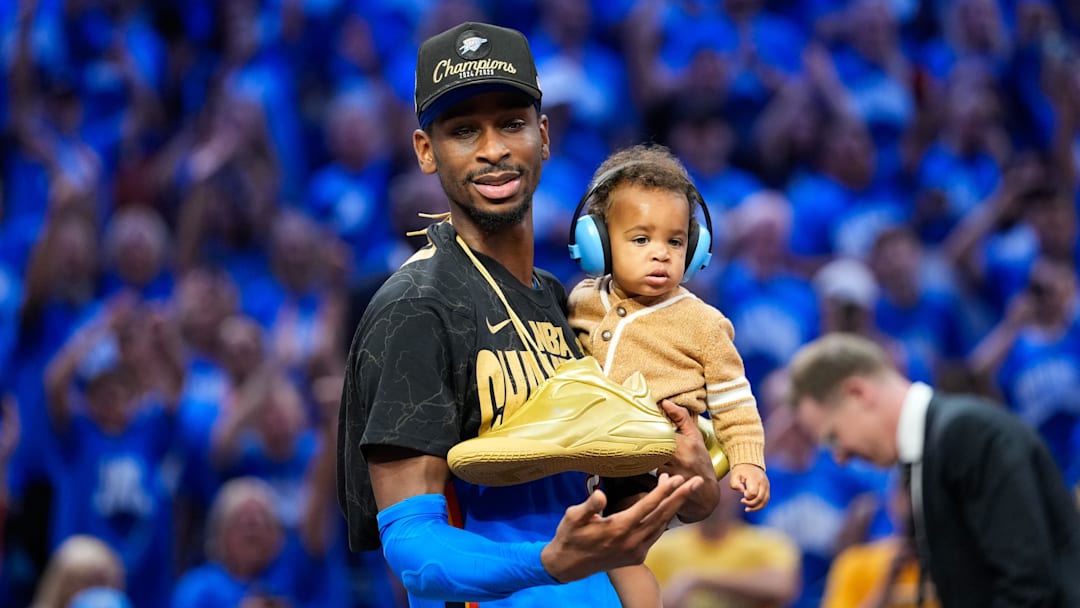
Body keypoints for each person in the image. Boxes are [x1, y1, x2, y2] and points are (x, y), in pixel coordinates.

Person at [337, 20, 718, 607]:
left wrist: (687, 483)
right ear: (425, 151)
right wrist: (546, 562)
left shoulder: (562, 303)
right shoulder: (415, 310)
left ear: (543, 136)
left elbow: (605, 515)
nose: (493, 149)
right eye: (464, 131)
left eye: (511, 124)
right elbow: (413, 548)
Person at [787, 332, 1080, 607]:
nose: (840, 456)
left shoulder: (967, 435)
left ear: (857, 393)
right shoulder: (931, 450)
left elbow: (1029, 586)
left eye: (834, 436)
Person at [566, 143, 769, 509]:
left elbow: (733, 400)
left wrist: (748, 461)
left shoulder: (702, 322)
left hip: (655, 466)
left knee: (623, 548)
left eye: (675, 241)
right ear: (599, 244)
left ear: (693, 252)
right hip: (578, 457)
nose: (661, 253)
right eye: (641, 239)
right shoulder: (581, 299)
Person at [643, 483, 800, 608]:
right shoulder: (661, 547)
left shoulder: (768, 543)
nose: (716, 489)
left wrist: (697, 580)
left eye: (724, 480)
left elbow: (783, 586)